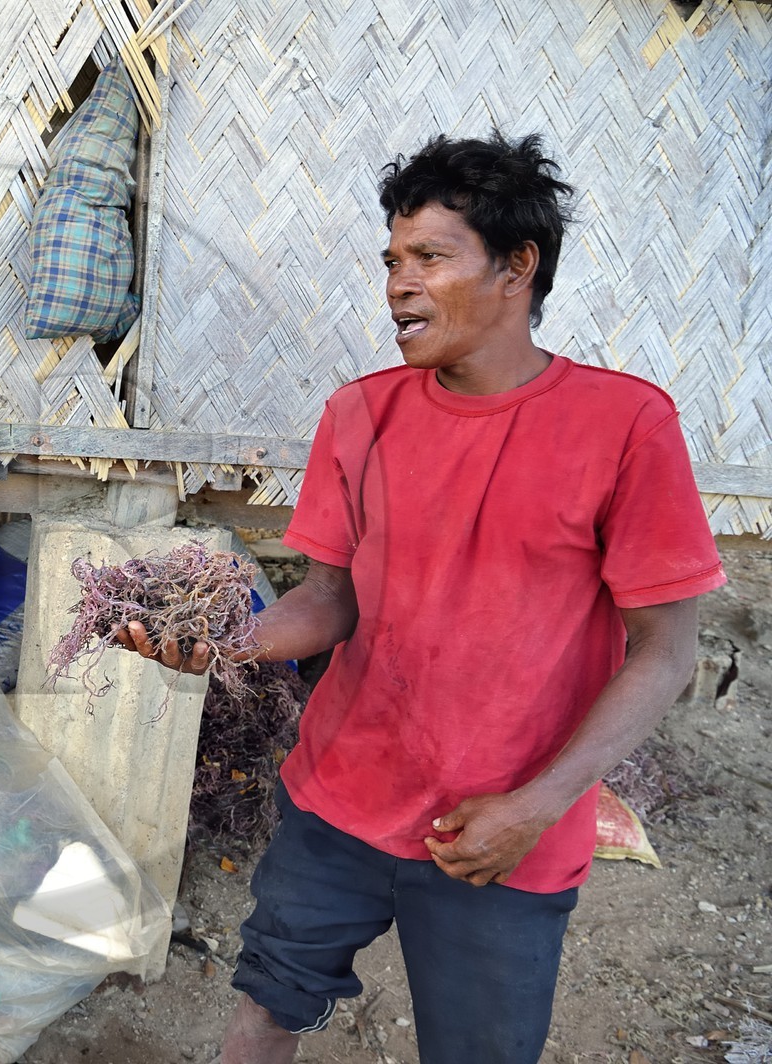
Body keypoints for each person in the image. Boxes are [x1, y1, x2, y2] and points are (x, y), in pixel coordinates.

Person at [118, 132, 725, 1064]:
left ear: (517, 267)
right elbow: (332, 601)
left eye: (431, 258)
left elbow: (666, 650)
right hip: (340, 799)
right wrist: (227, 641)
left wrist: (536, 805)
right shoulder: (360, 414)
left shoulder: (625, 426)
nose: (399, 284)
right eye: (393, 261)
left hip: (502, 832)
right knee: (263, 1011)